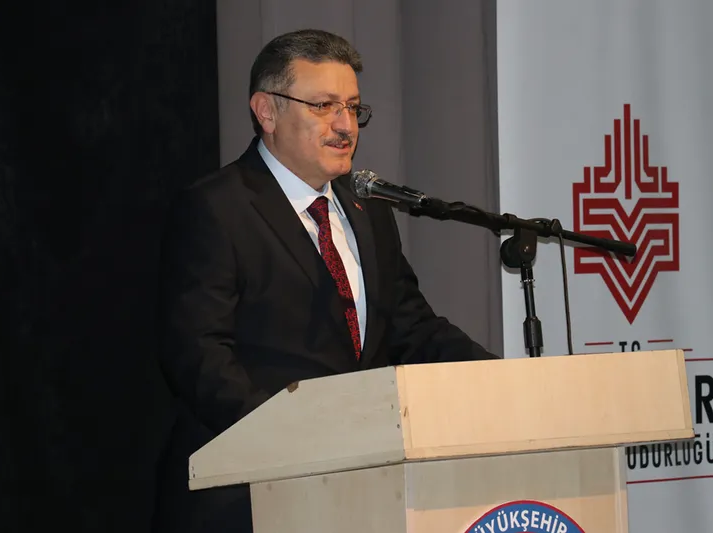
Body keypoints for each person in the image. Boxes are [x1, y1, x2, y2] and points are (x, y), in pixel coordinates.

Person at [153, 28, 499, 533]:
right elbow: (198, 356)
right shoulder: (217, 208)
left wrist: (502, 382)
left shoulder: (367, 209)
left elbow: (412, 328)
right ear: (266, 111)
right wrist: (299, 440)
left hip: (362, 489)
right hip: (248, 494)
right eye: (323, 106)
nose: (345, 126)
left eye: (353, 108)